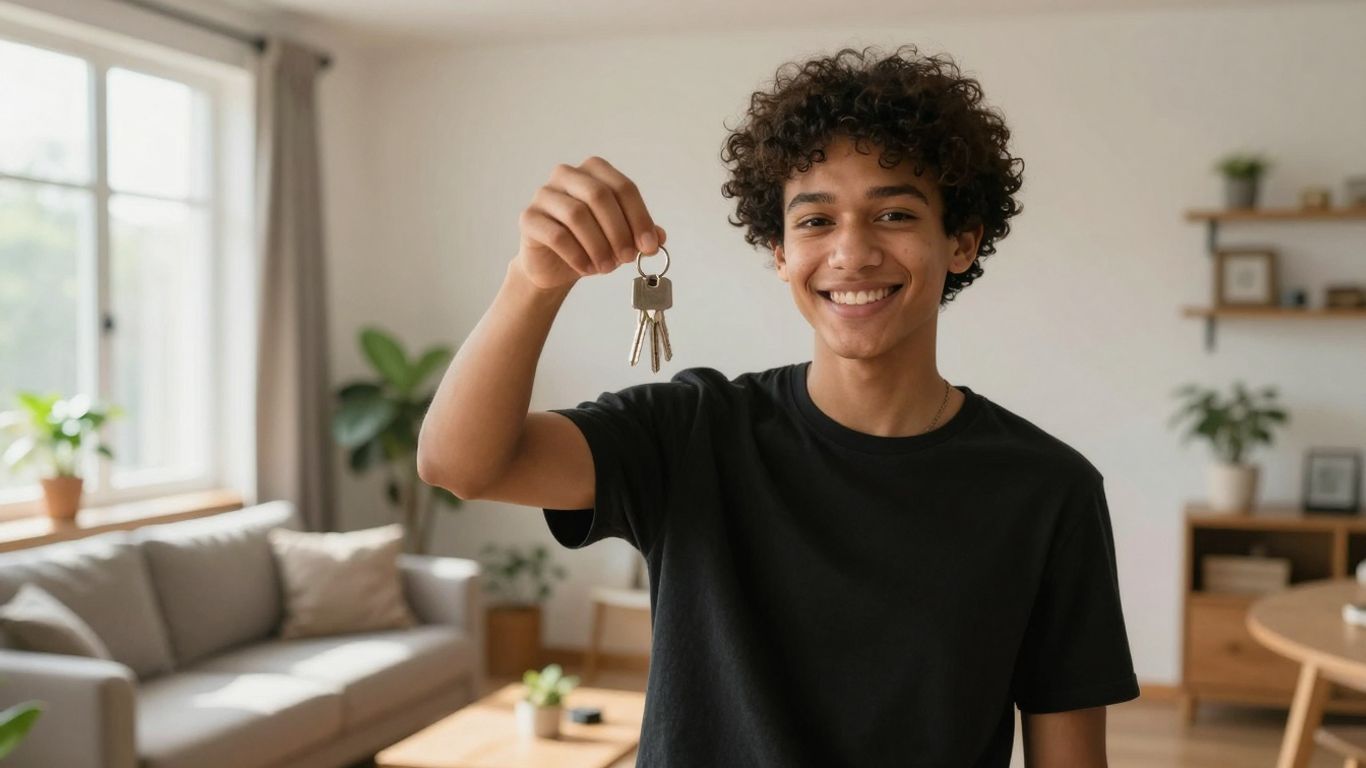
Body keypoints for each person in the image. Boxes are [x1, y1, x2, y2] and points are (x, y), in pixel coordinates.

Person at [417, 44, 1139, 767]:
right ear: (780, 252)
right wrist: (533, 281)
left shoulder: (1048, 490)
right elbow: (459, 465)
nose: (851, 254)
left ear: (961, 242)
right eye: (817, 221)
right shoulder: (692, 432)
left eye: (893, 213)